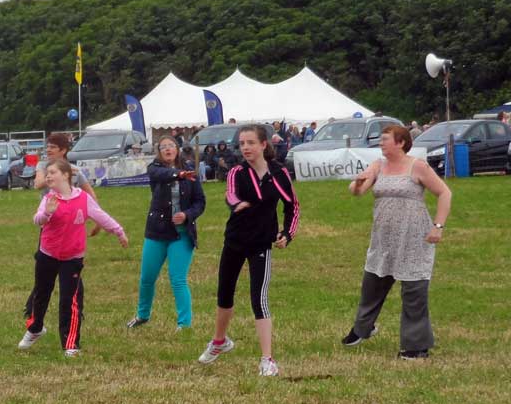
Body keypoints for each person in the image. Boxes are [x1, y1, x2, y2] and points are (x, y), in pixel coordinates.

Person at [198, 124, 300, 376]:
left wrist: (287, 233)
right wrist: (237, 204)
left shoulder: (279, 174)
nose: (245, 148)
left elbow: (292, 206)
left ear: (264, 145)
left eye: (251, 142)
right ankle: (220, 342)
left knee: (259, 299)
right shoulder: (237, 172)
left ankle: (268, 359)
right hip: (234, 241)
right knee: (224, 293)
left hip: (261, 244)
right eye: (242, 143)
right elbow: (229, 194)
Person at [343, 124, 452, 359]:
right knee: (371, 285)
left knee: (414, 291)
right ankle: (362, 329)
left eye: (385, 139)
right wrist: (358, 183)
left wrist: (438, 226)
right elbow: (357, 190)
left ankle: (415, 345)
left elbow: (445, 193)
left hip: (413, 238)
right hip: (384, 238)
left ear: (401, 142)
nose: (381, 143)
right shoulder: (377, 165)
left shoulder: (418, 166)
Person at [19, 159, 128, 357]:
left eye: (52, 172)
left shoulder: (83, 199)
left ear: (66, 175)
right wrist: (47, 214)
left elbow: (101, 216)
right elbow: (37, 220)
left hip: (72, 258)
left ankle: (70, 344)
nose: (48, 176)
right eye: (47, 173)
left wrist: (119, 231)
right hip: (47, 254)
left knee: (69, 300)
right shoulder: (49, 199)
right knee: (41, 294)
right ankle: (35, 329)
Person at [127, 136, 206, 331]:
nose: (168, 149)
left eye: (171, 146)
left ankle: (184, 324)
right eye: (164, 147)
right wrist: (179, 174)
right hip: (157, 232)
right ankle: (142, 315)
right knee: (147, 278)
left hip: (182, 235)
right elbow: (162, 175)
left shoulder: (190, 171)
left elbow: (200, 202)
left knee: (177, 279)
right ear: (159, 151)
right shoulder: (155, 168)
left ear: (178, 149)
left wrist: (187, 215)